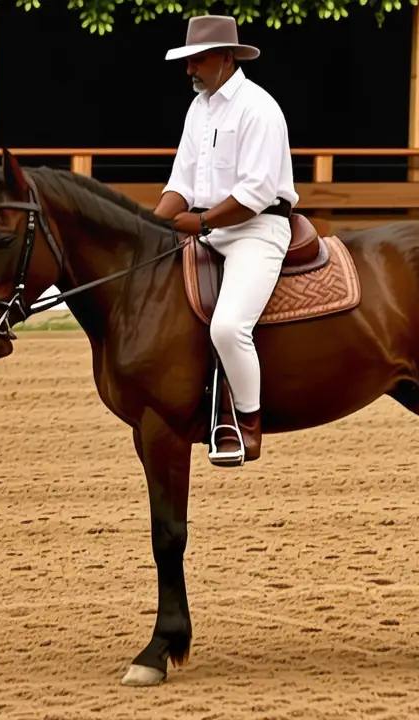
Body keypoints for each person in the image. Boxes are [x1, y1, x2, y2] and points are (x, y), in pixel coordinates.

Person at [153, 14, 299, 465]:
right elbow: (180, 183)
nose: (189, 69)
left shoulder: (260, 108)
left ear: (225, 57)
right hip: (211, 228)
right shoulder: (200, 108)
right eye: (188, 60)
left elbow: (255, 193)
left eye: (196, 60)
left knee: (228, 326)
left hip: (256, 231)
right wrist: (149, 227)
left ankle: (247, 425)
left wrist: (200, 223)